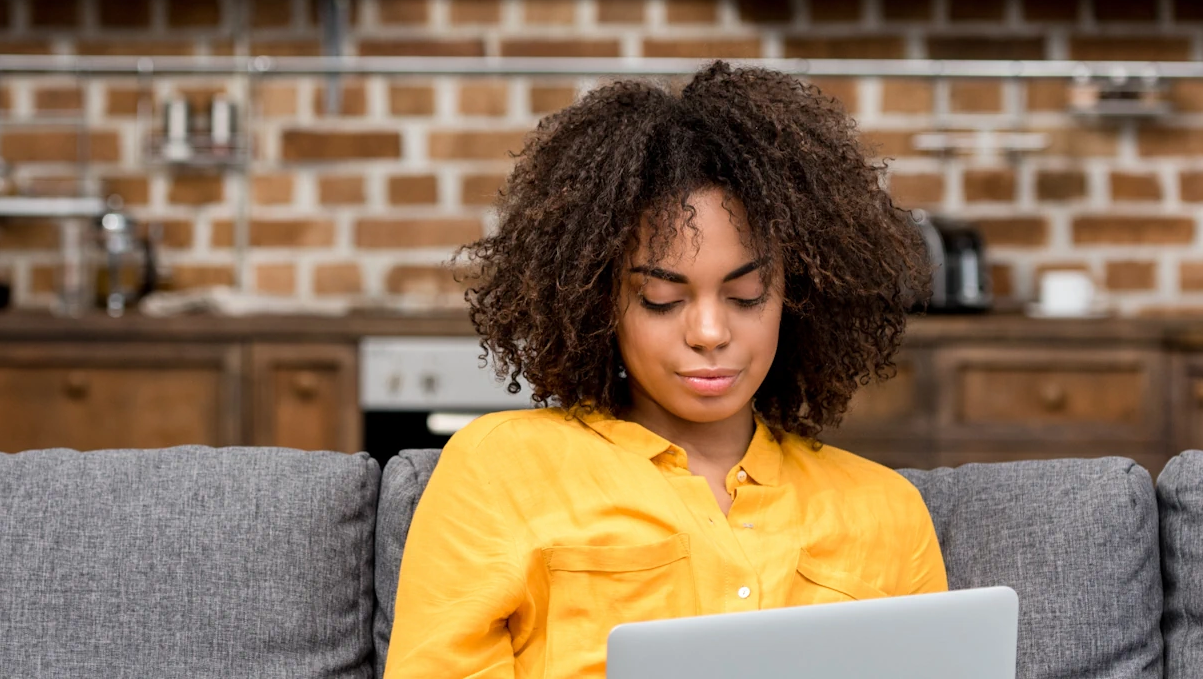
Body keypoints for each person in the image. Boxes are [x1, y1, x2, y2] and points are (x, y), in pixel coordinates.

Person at [383, 62, 945, 679]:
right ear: (601, 301)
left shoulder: (887, 510)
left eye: (748, 294)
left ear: (800, 295)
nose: (709, 333)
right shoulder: (501, 469)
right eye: (661, 300)